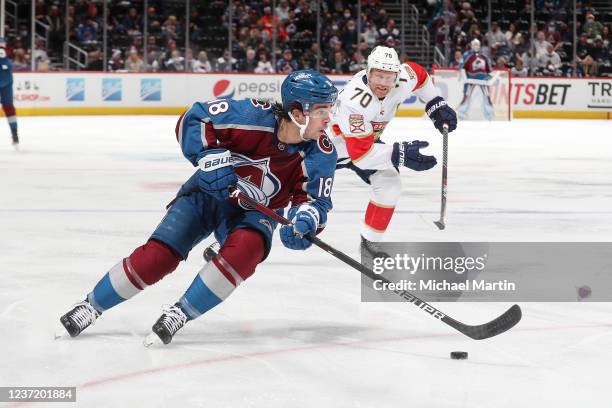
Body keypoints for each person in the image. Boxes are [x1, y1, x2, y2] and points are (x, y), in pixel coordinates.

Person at [59, 70, 339, 345]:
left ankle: (180, 313)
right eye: (321, 110)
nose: (329, 119)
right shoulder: (251, 116)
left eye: (330, 109)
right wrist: (210, 157)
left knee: (247, 250)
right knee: (159, 257)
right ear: (297, 112)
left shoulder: (322, 153)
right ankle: (90, 306)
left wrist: (305, 220)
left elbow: (316, 201)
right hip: (206, 196)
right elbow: (195, 117)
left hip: (255, 212)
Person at [326, 46, 457, 259]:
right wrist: (399, 153)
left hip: (365, 143)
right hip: (330, 147)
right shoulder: (355, 100)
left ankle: (369, 245)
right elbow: (361, 155)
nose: (383, 83)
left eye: (389, 77)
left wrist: (435, 103)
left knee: (390, 184)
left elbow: (420, 75)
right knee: (292, 186)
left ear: (397, 75)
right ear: (368, 72)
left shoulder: (402, 80)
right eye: (378, 76)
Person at [457, 39, 495, 120]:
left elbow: (489, 70)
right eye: (474, 44)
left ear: (480, 45)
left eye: (477, 44)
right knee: (466, 97)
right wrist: (463, 75)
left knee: (486, 97)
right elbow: (461, 67)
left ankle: (489, 115)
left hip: (484, 80)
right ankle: (461, 113)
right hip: (471, 80)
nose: (476, 46)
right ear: (471, 45)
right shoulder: (467, 55)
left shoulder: (484, 56)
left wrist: (491, 77)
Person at [0, 39, 19, 145]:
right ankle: (15, 134)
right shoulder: (7, 57)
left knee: (9, 108)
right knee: (9, 108)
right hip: (7, 81)